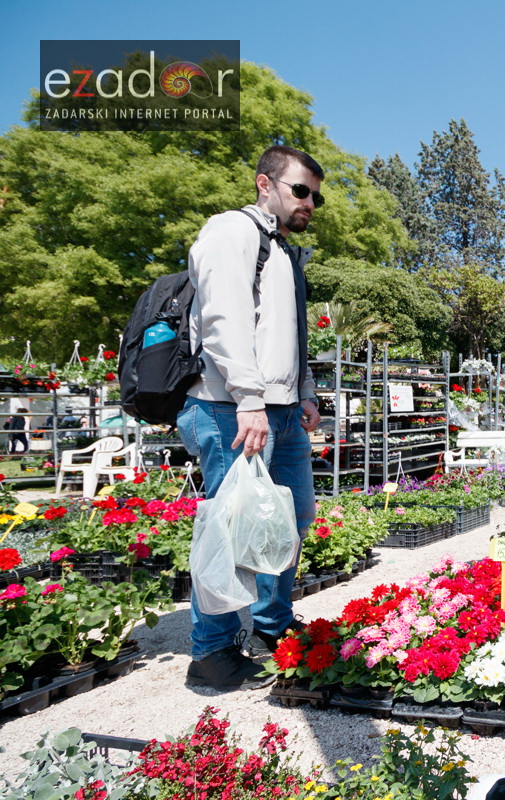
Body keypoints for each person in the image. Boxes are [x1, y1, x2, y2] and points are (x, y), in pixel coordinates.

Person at [177, 145, 324, 690]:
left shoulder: (282, 251)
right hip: (229, 408)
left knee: (289, 521)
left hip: (281, 412)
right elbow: (223, 321)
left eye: (316, 194)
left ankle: (272, 623)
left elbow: (288, 333)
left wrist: (304, 391)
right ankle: (211, 652)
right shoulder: (231, 232)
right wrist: (249, 398)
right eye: (300, 190)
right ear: (265, 184)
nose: (310, 201)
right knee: (229, 529)